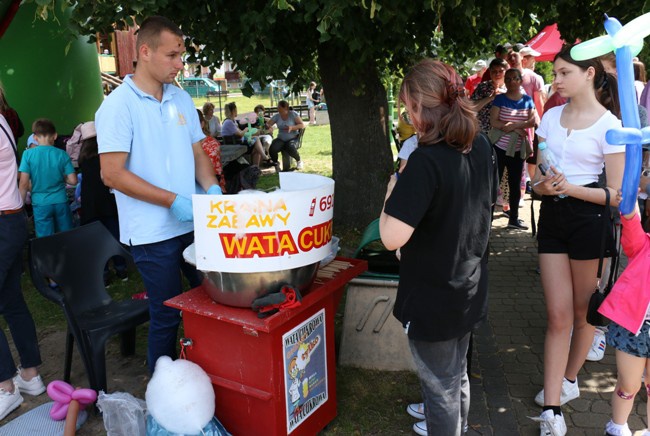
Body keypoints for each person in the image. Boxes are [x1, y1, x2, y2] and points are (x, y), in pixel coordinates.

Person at [95, 16, 222, 373]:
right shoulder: (119, 106)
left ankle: (213, 379)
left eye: (181, 55)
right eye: (172, 55)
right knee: (166, 315)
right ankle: (160, 395)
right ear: (145, 52)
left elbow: (198, 152)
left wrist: (210, 188)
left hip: (194, 223)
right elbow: (112, 174)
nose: (180, 64)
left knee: (215, 304)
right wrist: (172, 201)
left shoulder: (180, 97)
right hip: (152, 233)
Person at [380, 59, 496, 436]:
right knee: (455, 376)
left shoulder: (424, 161)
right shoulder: (479, 146)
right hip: (467, 288)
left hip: (435, 297)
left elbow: (390, 236)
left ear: (418, 107)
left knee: (440, 388)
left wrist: (390, 193)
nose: (407, 115)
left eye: (407, 107)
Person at [530, 45, 624, 435]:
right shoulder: (550, 117)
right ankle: (552, 410)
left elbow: (616, 195)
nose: (557, 80)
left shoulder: (610, 125)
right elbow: (535, 177)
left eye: (564, 72)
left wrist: (570, 188)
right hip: (553, 217)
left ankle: (568, 379)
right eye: (554, 74)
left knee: (585, 313)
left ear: (589, 74)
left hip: (590, 220)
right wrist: (545, 188)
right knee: (558, 315)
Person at [0, 114, 46, 421]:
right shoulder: (3, 119)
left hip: (3, 222)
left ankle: (6, 389)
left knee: (12, 302)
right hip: (12, 219)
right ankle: (30, 376)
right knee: (11, 301)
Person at [595, 199, 650, 436]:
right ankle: (617, 428)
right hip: (634, 329)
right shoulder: (642, 244)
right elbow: (630, 223)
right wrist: (629, 201)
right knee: (629, 384)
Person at [77, 121, 128, 286]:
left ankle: (104, 274)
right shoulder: (105, 155)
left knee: (97, 241)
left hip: (90, 205)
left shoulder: (82, 158)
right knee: (114, 236)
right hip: (108, 202)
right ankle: (121, 269)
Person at [489, 68, 538, 230]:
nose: (511, 82)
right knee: (493, 182)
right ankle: (487, 219)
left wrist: (515, 126)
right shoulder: (500, 99)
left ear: (520, 80)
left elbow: (532, 121)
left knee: (515, 184)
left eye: (514, 79)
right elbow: (494, 122)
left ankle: (514, 219)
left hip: (518, 150)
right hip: (500, 147)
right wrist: (514, 128)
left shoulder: (528, 100)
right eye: (508, 79)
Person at [18, 119, 77, 238]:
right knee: (66, 237)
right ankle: (67, 256)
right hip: (61, 201)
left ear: (35, 137)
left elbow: (23, 183)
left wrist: (20, 206)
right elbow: (73, 181)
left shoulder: (28, 154)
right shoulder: (62, 154)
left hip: (40, 204)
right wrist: (63, 178)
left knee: (45, 240)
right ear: (55, 136)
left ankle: (49, 257)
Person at [220, 102, 266, 167]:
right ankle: (263, 157)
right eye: (235, 110)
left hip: (237, 142)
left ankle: (256, 169)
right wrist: (246, 129)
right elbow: (241, 134)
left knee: (256, 146)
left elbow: (240, 133)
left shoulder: (232, 121)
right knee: (256, 140)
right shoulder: (229, 122)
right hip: (235, 144)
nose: (237, 112)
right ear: (232, 111)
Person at [266, 100, 305, 172]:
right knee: (272, 149)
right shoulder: (277, 116)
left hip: (292, 138)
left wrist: (292, 127)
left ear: (285, 108)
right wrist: (268, 126)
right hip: (281, 138)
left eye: (279, 107)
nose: (277, 108)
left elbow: (302, 125)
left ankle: (299, 161)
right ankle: (276, 164)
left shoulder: (293, 114)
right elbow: (268, 124)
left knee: (290, 147)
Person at [196, 109, 226, 193]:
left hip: (208, 189)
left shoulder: (212, 145)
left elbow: (207, 174)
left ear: (202, 124)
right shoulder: (183, 144)